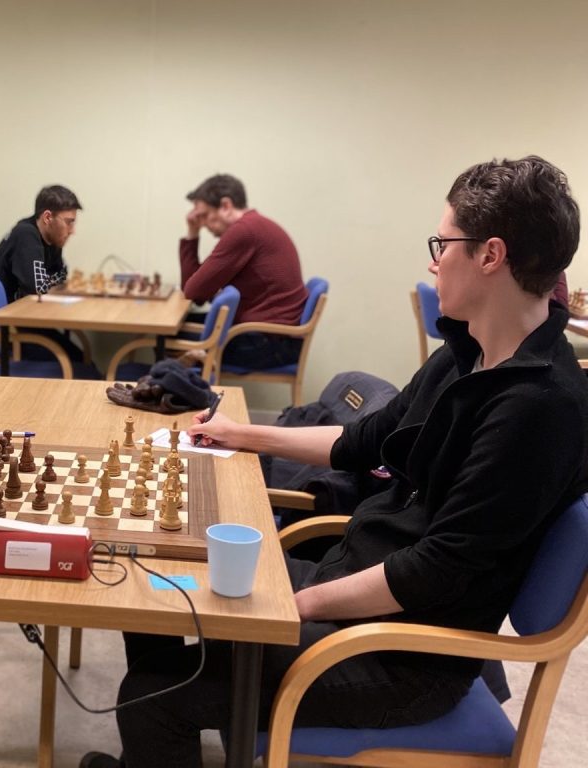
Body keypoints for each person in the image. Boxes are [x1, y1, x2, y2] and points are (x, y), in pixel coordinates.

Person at [82, 155, 588, 768]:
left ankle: (157, 734)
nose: (433, 262)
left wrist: (294, 606)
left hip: (404, 653)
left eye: (442, 243)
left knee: (151, 695)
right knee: (154, 589)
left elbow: (436, 572)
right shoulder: (467, 351)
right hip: (354, 580)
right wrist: (242, 435)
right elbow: (364, 440)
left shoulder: (541, 407)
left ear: (490, 256)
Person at [181, 174, 308, 369]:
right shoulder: (253, 226)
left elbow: (193, 292)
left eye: (204, 215)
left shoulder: (244, 231)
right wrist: (193, 232)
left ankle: (159, 386)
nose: (203, 223)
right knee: (178, 326)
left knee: (169, 335)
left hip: (267, 343)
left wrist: (192, 236)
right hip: (272, 337)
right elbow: (194, 290)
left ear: (226, 205)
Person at [0, 184, 86, 361]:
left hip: (27, 320)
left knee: (81, 359)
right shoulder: (26, 235)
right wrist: (53, 281)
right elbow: (38, 288)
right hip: (7, 330)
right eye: (68, 222)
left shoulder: (53, 239)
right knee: (76, 362)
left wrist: (52, 281)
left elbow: (62, 275)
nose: (72, 231)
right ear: (48, 217)